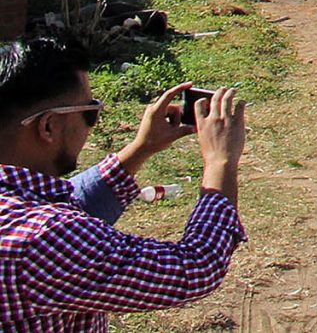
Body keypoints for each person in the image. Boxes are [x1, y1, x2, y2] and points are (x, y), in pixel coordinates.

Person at [0, 37, 245, 331]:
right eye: (89, 112)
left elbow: (69, 204)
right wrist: (220, 161)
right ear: (49, 126)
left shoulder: (20, 217)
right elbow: (195, 267)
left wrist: (141, 148)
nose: (95, 121)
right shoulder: (42, 241)